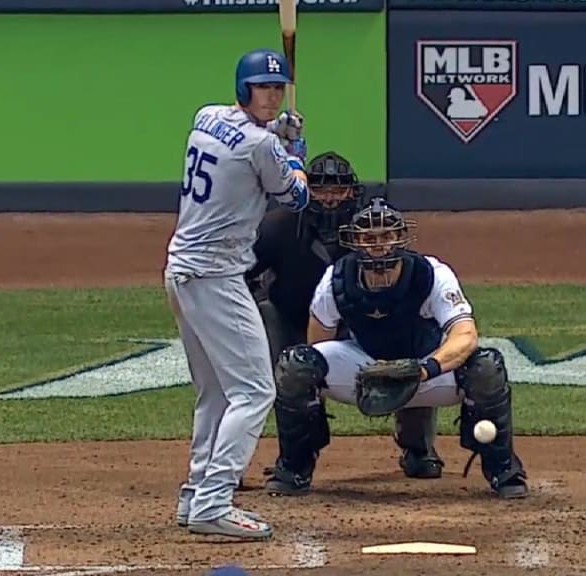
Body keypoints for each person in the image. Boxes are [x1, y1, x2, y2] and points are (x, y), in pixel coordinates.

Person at [262, 198, 529, 499]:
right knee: (297, 364)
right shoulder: (336, 279)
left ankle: (503, 470)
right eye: (369, 238)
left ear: (401, 238)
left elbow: (464, 336)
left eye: (386, 236)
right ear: (355, 241)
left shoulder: (432, 274)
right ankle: (294, 467)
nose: (379, 245)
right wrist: (315, 403)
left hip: (424, 369)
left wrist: (424, 369)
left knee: (486, 367)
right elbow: (318, 345)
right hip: (364, 366)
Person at [165, 47, 309, 541]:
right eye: (263, 87)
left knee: (215, 393)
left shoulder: (206, 117)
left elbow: (245, 142)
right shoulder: (260, 146)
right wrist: (294, 152)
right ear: (243, 88)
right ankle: (214, 502)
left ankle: (196, 493)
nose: (271, 95)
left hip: (181, 271)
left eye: (276, 88)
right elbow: (294, 196)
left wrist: (276, 138)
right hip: (216, 276)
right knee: (253, 390)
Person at [245, 152, 446, 483]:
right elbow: (242, 272)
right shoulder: (279, 226)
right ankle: (296, 454)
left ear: (352, 193)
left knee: (410, 351)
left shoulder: (370, 231)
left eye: (337, 191)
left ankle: (419, 447)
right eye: (321, 190)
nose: (329, 199)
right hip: (291, 319)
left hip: (360, 326)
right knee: (277, 345)